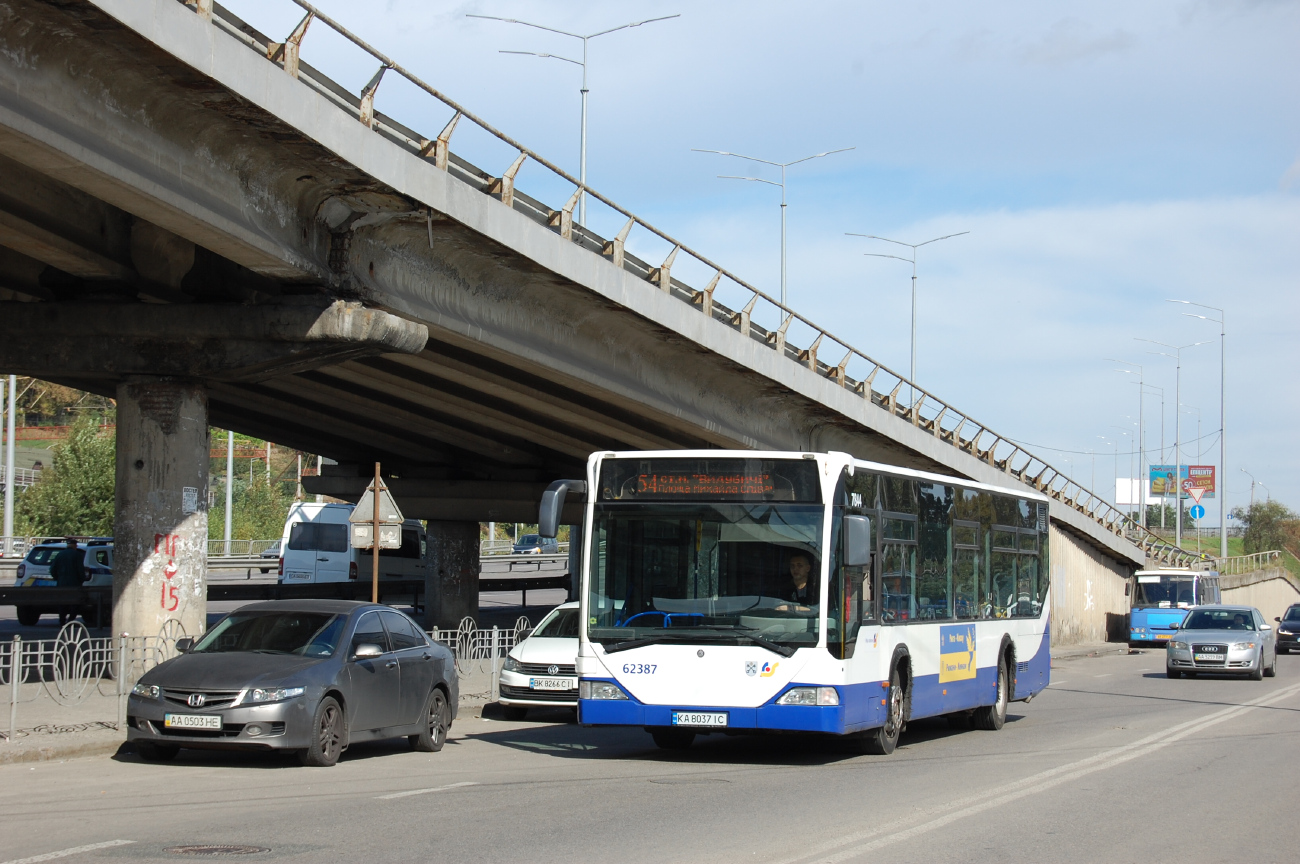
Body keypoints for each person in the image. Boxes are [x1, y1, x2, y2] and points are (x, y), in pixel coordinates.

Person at [50, 538, 86, 626]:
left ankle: (62, 620)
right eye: (76, 545)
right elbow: (80, 570)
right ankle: (71, 620)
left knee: (63, 602)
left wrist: (57, 577)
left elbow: (52, 569)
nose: (76, 546)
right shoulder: (77, 555)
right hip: (74, 583)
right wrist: (82, 579)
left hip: (61, 583)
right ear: (74, 545)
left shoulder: (60, 554)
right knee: (75, 602)